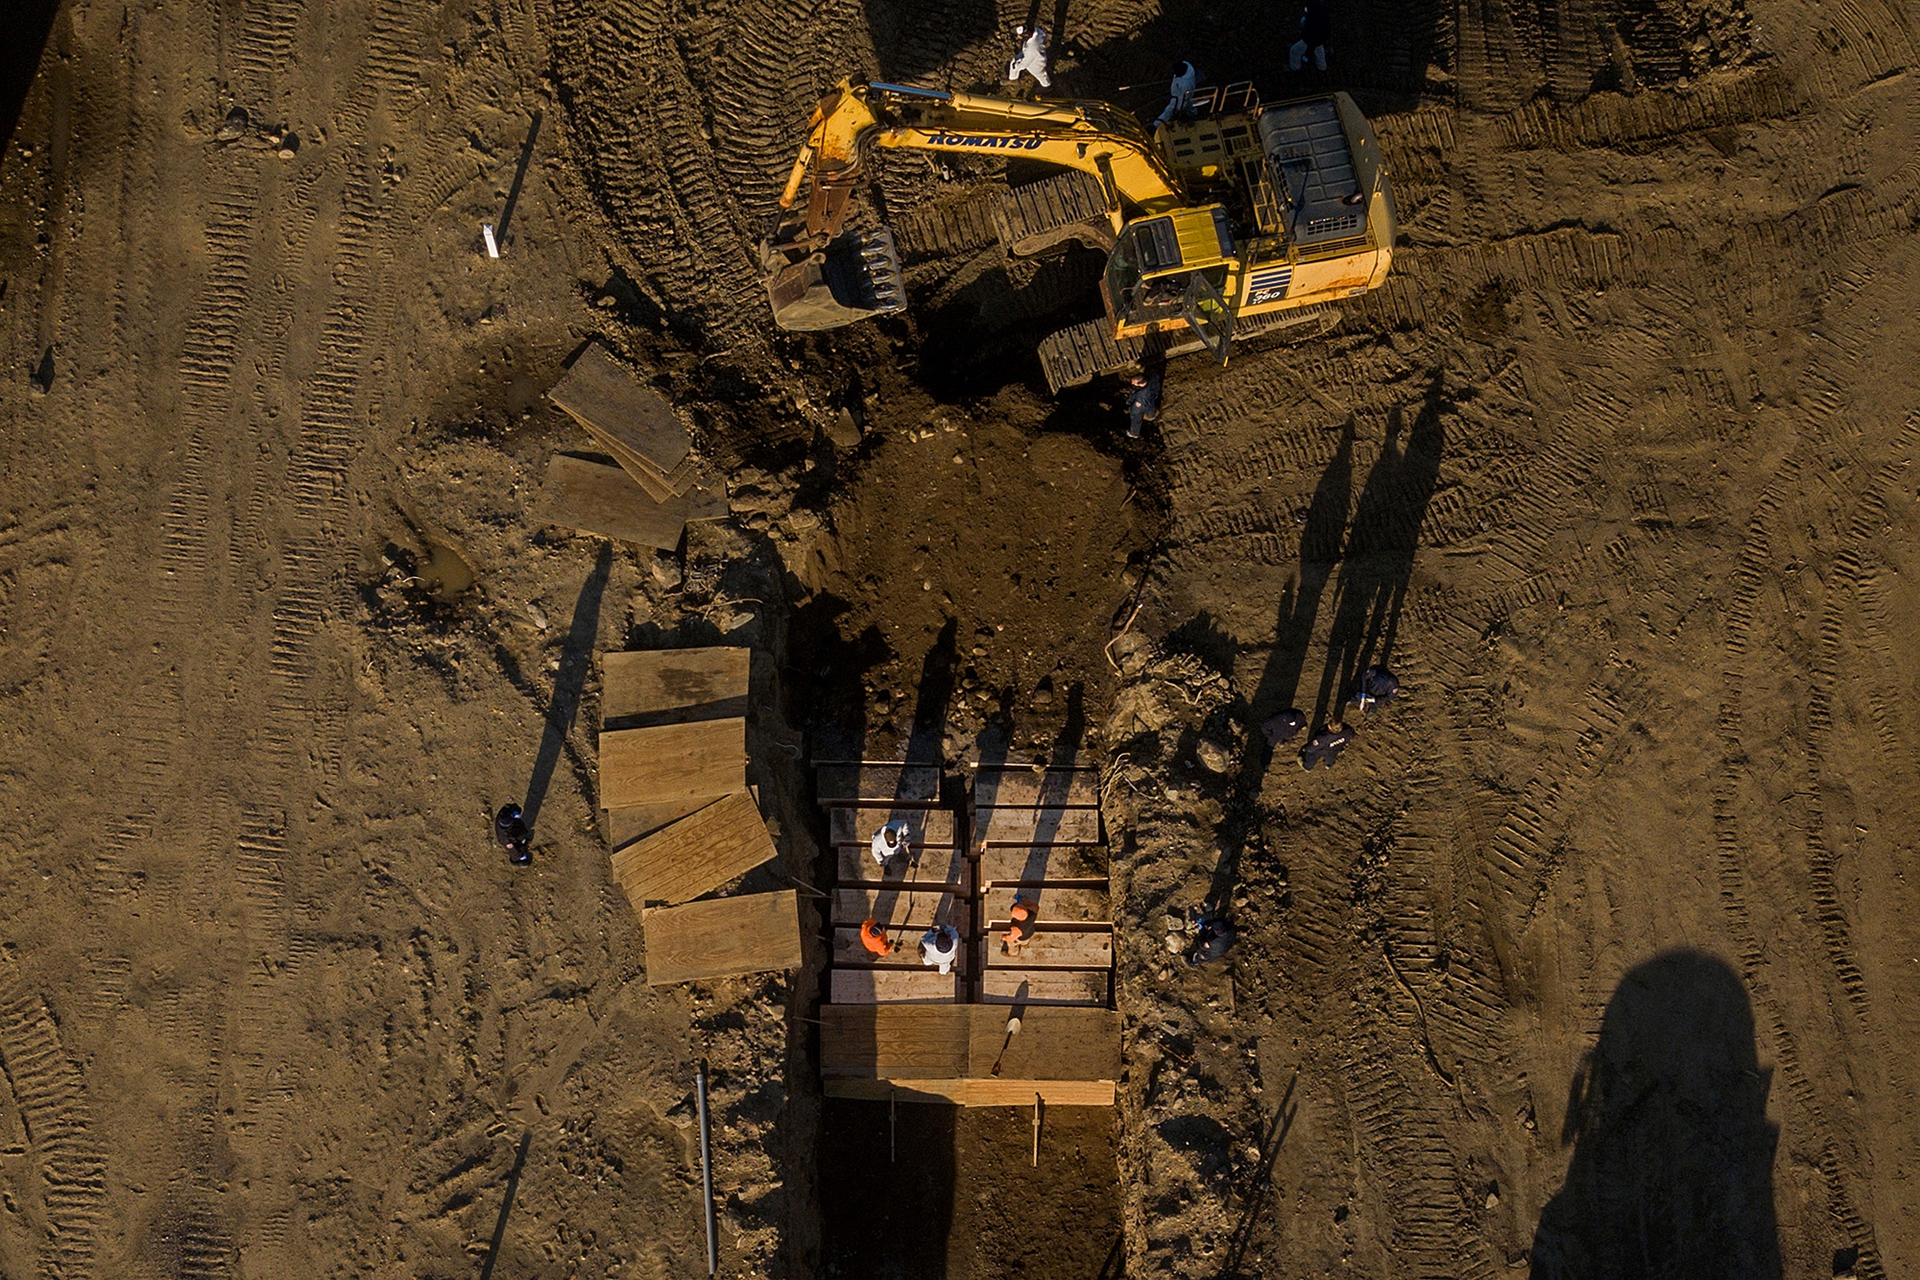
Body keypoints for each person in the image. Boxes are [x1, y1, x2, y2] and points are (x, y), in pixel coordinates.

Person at [1153, 60, 1201, 127]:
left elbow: (1184, 99)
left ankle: (1156, 124)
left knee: (1170, 109)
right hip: (1178, 93)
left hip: (1181, 97)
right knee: (1190, 108)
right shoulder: (1185, 67)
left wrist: (1179, 109)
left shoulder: (1186, 84)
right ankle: (1194, 116)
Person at [1291, 0, 1332, 72]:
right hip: (1321, 38)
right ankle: (1322, 67)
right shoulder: (1321, 11)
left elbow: (1313, 41)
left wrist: (1306, 55)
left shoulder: (1314, 25)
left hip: (1309, 39)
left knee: (1294, 51)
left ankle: (1295, 67)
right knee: (1319, 51)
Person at [1126, 359, 1163, 438]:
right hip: (1152, 398)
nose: (1132, 384)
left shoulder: (1140, 396)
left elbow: (1136, 412)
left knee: (1136, 416)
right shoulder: (1152, 378)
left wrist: (1129, 405)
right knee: (1151, 407)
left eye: (1134, 384)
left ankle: (1134, 433)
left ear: (1141, 383)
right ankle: (1152, 415)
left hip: (1145, 403)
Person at [1007, 24, 1052, 88]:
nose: (1018, 37)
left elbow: (1025, 62)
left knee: (1041, 75)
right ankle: (1013, 79)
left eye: (1020, 36)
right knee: (1014, 62)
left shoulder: (1032, 47)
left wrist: (1018, 67)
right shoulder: (1037, 31)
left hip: (1036, 63)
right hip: (1028, 52)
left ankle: (1046, 86)